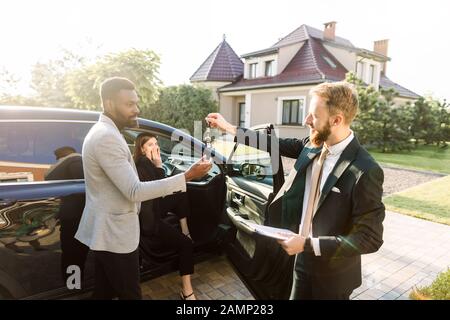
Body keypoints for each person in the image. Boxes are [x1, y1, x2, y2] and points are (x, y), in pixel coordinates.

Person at [206, 81, 385, 300]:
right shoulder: (313, 145)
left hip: (332, 277)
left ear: (336, 120)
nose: (306, 121)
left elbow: (370, 238)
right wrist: (230, 128)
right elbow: (274, 143)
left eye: (314, 116)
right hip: (300, 261)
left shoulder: (365, 170)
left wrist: (309, 244)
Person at [75, 77, 212, 300]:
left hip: (107, 233)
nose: (136, 109)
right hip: (115, 236)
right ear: (109, 104)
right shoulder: (106, 137)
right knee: (130, 295)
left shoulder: (106, 132)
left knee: (104, 292)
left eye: (136, 103)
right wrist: (187, 176)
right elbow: (134, 191)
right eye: (129, 104)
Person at [134, 132, 196, 300]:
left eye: (156, 143)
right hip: (150, 218)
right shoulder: (141, 165)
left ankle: (185, 228)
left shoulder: (148, 163)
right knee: (186, 245)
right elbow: (158, 189)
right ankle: (187, 292)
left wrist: (158, 165)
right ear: (141, 148)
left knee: (181, 190)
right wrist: (159, 166)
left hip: (154, 207)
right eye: (150, 145)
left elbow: (160, 188)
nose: (156, 147)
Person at [45, 146, 88, 284]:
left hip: (66, 217)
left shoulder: (54, 169)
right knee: (77, 254)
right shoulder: (75, 161)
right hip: (78, 217)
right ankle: (75, 285)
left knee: (70, 254)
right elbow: (85, 189)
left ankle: (72, 284)